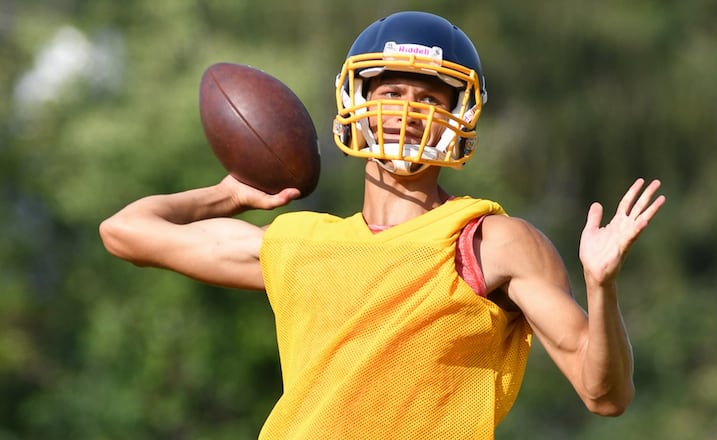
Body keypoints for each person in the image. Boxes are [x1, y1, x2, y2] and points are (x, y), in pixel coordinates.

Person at [99, 10, 665, 439]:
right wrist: (227, 194)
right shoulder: (303, 243)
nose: (408, 110)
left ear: (459, 115)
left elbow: (604, 394)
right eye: (392, 92)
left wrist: (601, 285)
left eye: (429, 96)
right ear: (358, 100)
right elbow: (124, 231)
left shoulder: (489, 240)